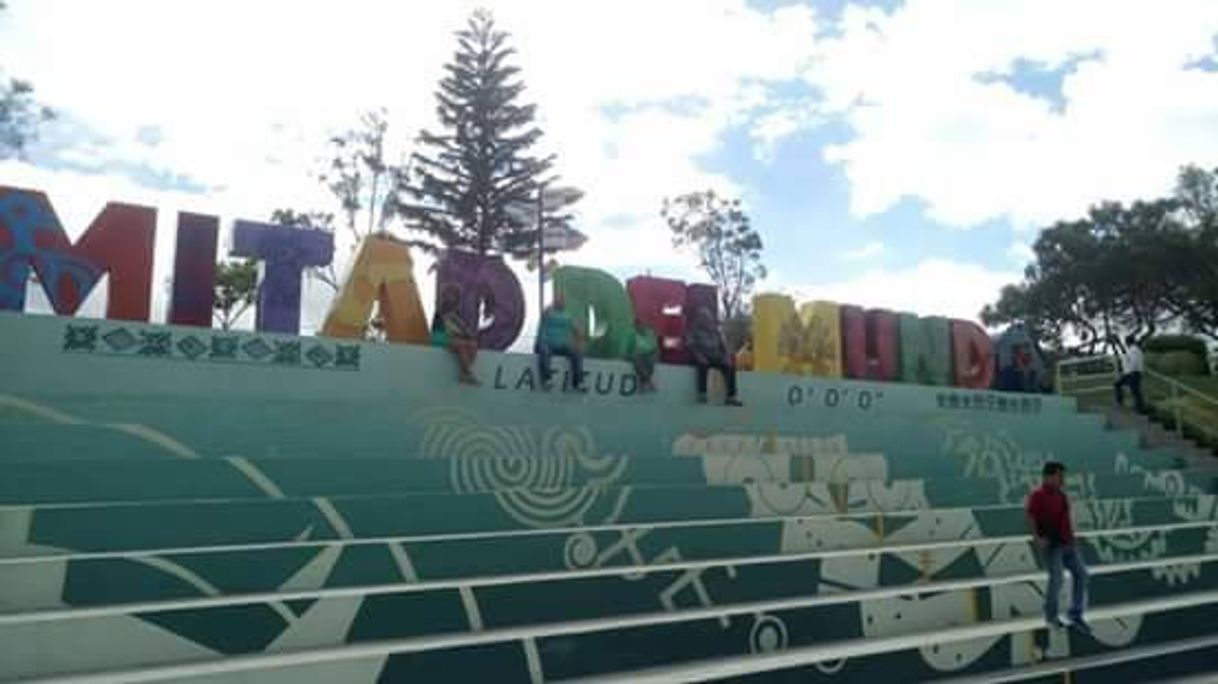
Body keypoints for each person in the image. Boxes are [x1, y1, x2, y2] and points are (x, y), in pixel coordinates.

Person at [1026, 461, 1090, 632]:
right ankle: (1051, 617)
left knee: (1082, 574)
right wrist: (1037, 538)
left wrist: (1074, 540)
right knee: (1057, 579)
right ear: (1048, 476)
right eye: (1059, 476)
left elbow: (1067, 520)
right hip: (1052, 545)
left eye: (1063, 476)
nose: (1062, 480)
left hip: (1067, 544)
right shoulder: (1037, 496)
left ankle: (1075, 613)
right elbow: (1031, 517)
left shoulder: (1062, 496)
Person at [685, 306, 742, 407]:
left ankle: (731, 397)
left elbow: (723, 347)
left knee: (730, 366)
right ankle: (702, 393)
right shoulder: (694, 330)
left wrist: (726, 357)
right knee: (703, 364)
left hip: (715, 356)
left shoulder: (716, 331)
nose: (707, 320)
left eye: (708, 317)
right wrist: (699, 355)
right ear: (700, 319)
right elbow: (690, 344)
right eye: (704, 317)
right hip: (701, 354)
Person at [535, 293, 586, 392]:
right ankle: (547, 380)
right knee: (544, 351)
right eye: (559, 300)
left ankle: (578, 382)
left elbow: (577, 331)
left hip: (562, 346)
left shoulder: (568, 316)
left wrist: (580, 343)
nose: (561, 302)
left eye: (562, 301)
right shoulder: (548, 313)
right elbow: (544, 313)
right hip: (546, 344)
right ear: (554, 302)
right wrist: (551, 305)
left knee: (576, 353)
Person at [431, 287, 479, 385]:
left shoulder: (455, 313)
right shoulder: (442, 312)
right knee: (462, 345)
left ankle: (464, 372)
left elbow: (464, 330)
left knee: (472, 345)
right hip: (440, 338)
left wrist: (467, 334)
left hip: (452, 338)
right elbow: (448, 329)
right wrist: (463, 333)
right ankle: (466, 373)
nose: (453, 299)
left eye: (455, 297)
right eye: (451, 296)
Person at [1114, 334, 1146, 413]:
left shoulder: (1134, 350)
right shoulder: (1131, 349)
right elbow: (1125, 356)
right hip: (1130, 373)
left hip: (1133, 373)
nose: (1126, 343)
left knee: (1135, 391)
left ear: (1129, 342)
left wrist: (1131, 371)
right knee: (1118, 384)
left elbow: (1134, 362)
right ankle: (1121, 402)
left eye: (1126, 342)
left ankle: (1140, 408)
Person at [629, 318, 659, 392]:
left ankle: (644, 383)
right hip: (637, 354)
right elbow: (630, 347)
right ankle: (649, 381)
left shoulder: (649, 333)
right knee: (637, 360)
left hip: (649, 353)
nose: (639, 327)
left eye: (641, 325)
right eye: (637, 326)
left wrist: (654, 354)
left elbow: (654, 346)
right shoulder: (632, 334)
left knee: (649, 361)